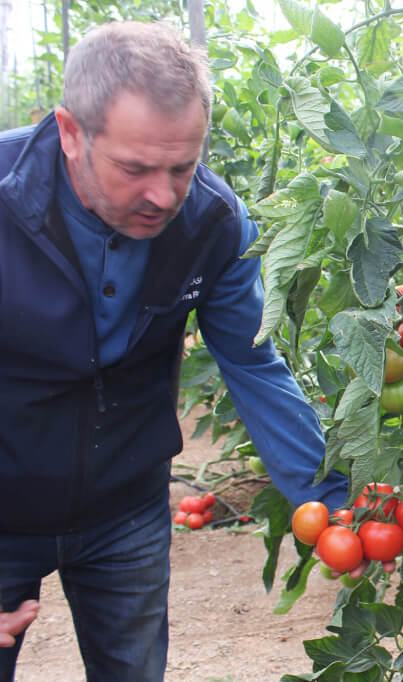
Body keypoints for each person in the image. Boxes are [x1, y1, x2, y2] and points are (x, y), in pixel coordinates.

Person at [0, 20, 348, 681]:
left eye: (183, 167)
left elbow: (251, 361)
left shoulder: (213, 224)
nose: (163, 196)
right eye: (134, 168)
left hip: (123, 507)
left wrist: (331, 498)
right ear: (71, 134)